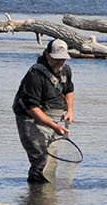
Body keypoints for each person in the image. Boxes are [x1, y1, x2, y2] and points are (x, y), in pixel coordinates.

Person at [12, 37, 74, 183]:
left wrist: (70, 110)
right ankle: (36, 199)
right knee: (41, 160)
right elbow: (31, 107)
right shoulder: (35, 75)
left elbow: (69, 90)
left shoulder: (66, 70)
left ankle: (48, 199)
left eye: (63, 59)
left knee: (52, 161)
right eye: (57, 59)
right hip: (32, 119)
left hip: (55, 120)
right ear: (47, 54)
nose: (60, 63)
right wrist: (54, 126)